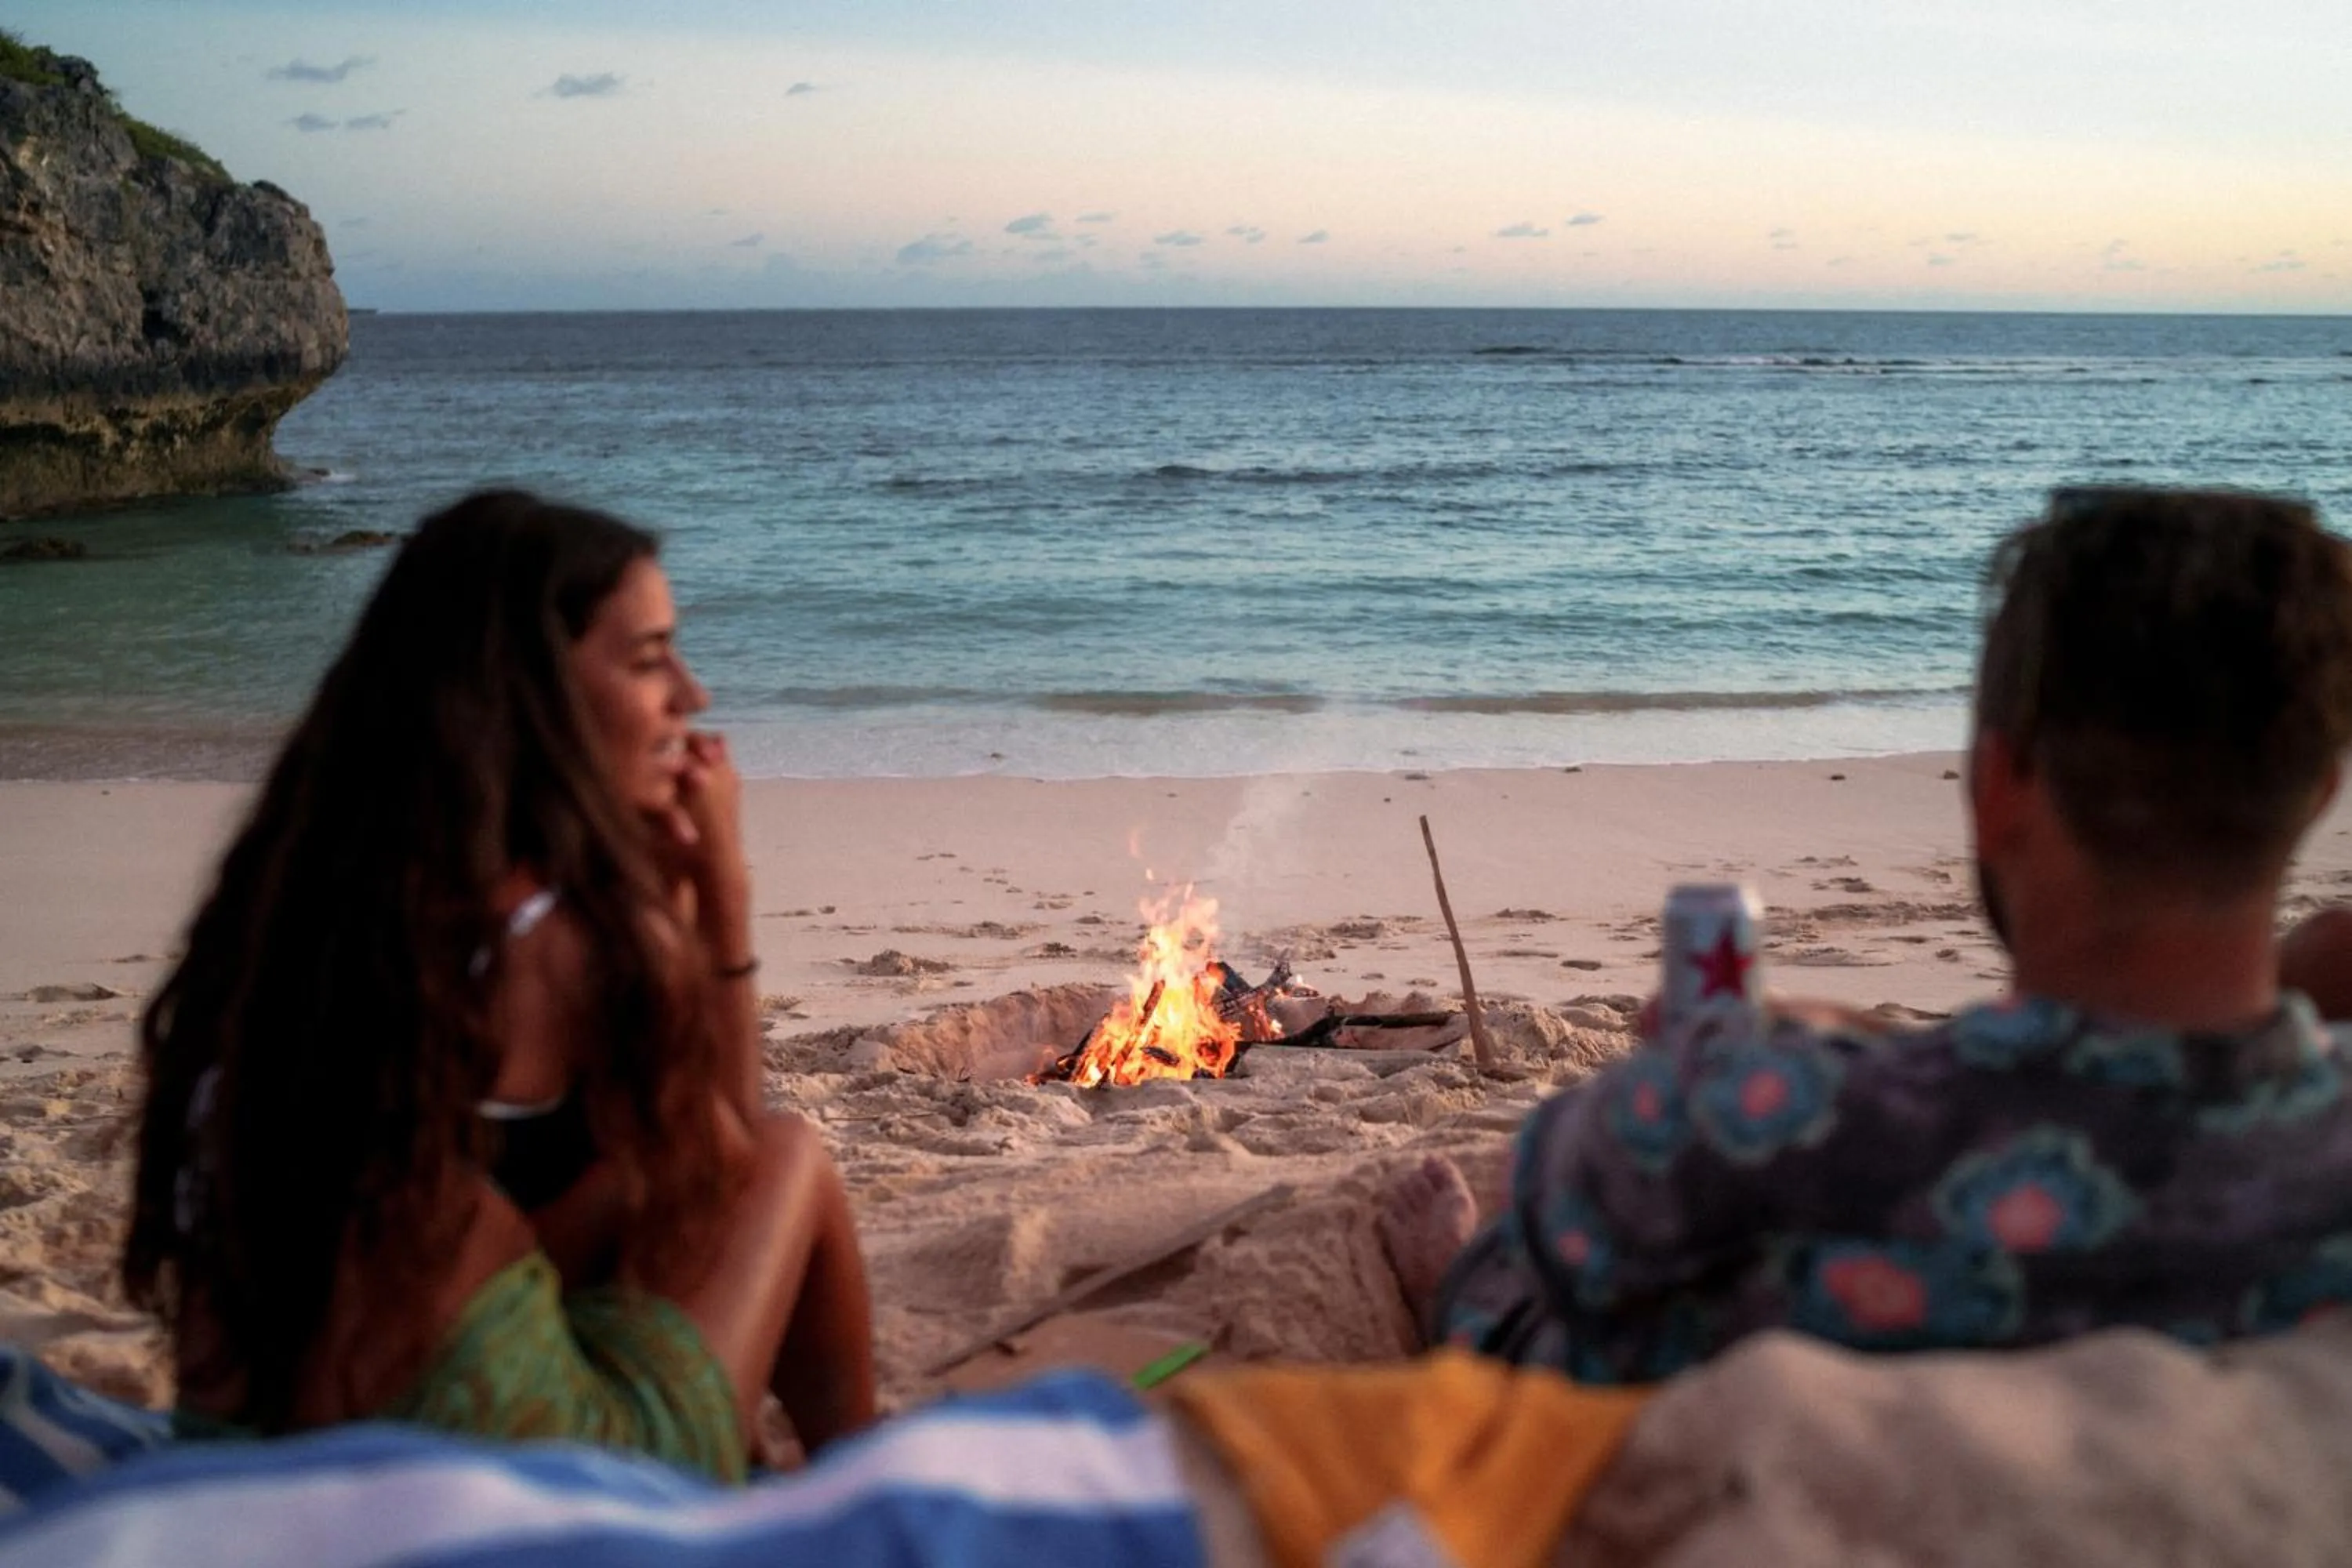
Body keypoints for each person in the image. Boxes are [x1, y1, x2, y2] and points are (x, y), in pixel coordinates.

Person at [1385, 486, 2352, 1382]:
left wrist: (1795, 1064)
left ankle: (1441, 1288)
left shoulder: (1751, 1121)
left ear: (1998, 783)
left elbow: (1559, 1215)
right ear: (2318, 790)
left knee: (1518, 1301)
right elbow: (2130, 1084)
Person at [122, 490, 875, 1480]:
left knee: (607, 1183)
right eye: (649, 660)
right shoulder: (545, 933)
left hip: (250, 1438)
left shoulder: (307, 897)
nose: (691, 695)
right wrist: (718, 897)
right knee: (788, 1154)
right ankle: (863, 1494)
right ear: (537, 689)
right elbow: (714, 1181)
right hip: (473, 1463)